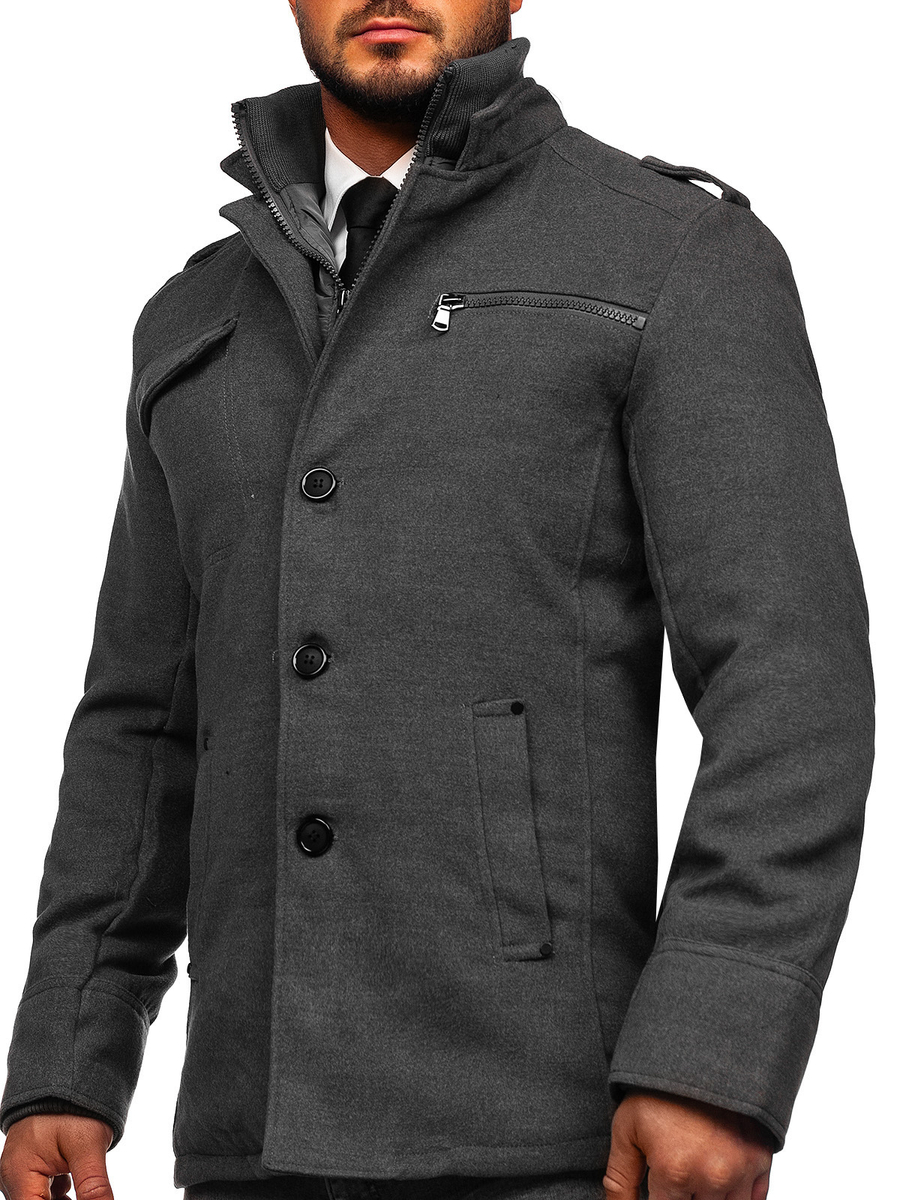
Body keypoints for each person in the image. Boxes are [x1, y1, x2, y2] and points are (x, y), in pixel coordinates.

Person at [0, 1, 875, 1199]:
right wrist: (67, 1059)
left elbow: (790, 683)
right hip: (246, 1143)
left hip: (556, 1140)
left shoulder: (670, 254)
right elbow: (137, 729)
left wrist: (712, 1059)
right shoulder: (195, 317)